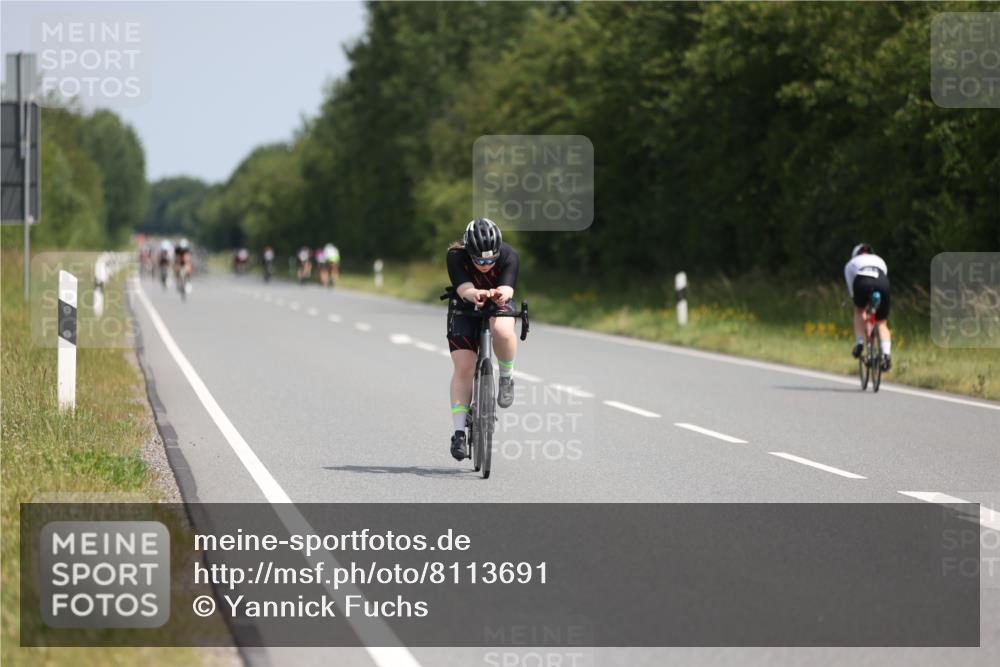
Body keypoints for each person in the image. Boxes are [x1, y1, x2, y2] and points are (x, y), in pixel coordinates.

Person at [445, 218, 520, 461]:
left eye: (491, 259)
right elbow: (464, 287)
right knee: (464, 367)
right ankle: (458, 432)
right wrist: (474, 293)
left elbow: (508, 288)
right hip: (466, 304)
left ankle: (507, 378)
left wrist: (500, 294)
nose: (486, 265)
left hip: (498, 301)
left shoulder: (509, 254)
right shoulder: (456, 256)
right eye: (479, 260)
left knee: (502, 331)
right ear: (469, 252)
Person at [845, 243, 892, 371]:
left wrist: (857, 301)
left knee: (859, 310)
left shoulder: (851, 264)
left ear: (855, 254)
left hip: (862, 281)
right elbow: (884, 275)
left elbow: (852, 291)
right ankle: (886, 355)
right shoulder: (879, 260)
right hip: (882, 282)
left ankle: (860, 343)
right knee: (882, 322)